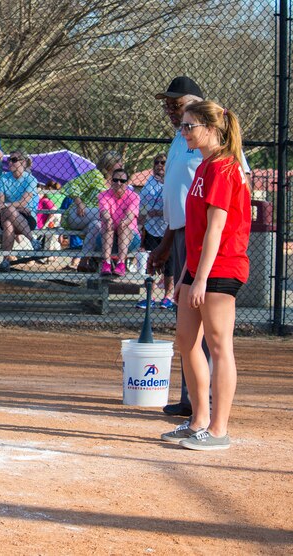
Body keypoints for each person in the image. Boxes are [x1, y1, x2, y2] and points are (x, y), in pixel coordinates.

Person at [147, 76, 251, 417]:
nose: (181, 125)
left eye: (188, 120)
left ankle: (213, 420)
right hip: (190, 248)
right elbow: (185, 209)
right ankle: (196, 412)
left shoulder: (222, 165)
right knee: (187, 339)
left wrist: (199, 275)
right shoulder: (195, 154)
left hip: (217, 259)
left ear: (206, 122)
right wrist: (182, 267)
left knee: (217, 342)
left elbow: (218, 223)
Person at [61, 151, 124, 273]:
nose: (121, 164)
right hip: (79, 214)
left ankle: (83, 261)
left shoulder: (116, 181)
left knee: (97, 225)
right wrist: (79, 202)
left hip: (99, 219)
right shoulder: (95, 175)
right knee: (106, 214)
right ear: (109, 163)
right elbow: (71, 185)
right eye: (118, 162)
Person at [0, 150, 41, 272]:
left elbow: (23, 202)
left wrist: (9, 206)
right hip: (9, 214)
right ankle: (32, 241)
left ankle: (5, 261)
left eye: (14, 160)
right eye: (9, 159)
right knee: (10, 213)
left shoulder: (31, 179)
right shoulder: (3, 178)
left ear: (23, 162)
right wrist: (15, 207)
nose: (10, 162)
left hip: (26, 217)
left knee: (8, 224)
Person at [138, 154, 174, 308]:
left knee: (169, 264)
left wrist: (160, 213)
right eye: (157, 162)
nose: (160, 165)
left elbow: (174, 205)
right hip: (151, 228)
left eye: (163, 163)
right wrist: (144, 217)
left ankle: (168, 296)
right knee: (151, 261)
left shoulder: (172, 182)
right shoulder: (149, 183)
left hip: (167, 228)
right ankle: (150, 296)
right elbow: (144, 204)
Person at [96, 168, 140, 277]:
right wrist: (108, 219)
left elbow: (130, 216)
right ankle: (106, 263)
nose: (118, 183)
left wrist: (124, 222)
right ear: (111, 181)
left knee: (123, 226)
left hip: (130, 240)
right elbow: (104, 211)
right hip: (107, 239)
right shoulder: (103, 195)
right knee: (108, 223)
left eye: (122, 181)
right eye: (115, 180)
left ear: (127, 183)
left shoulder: (134, 197)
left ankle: (121, 263)